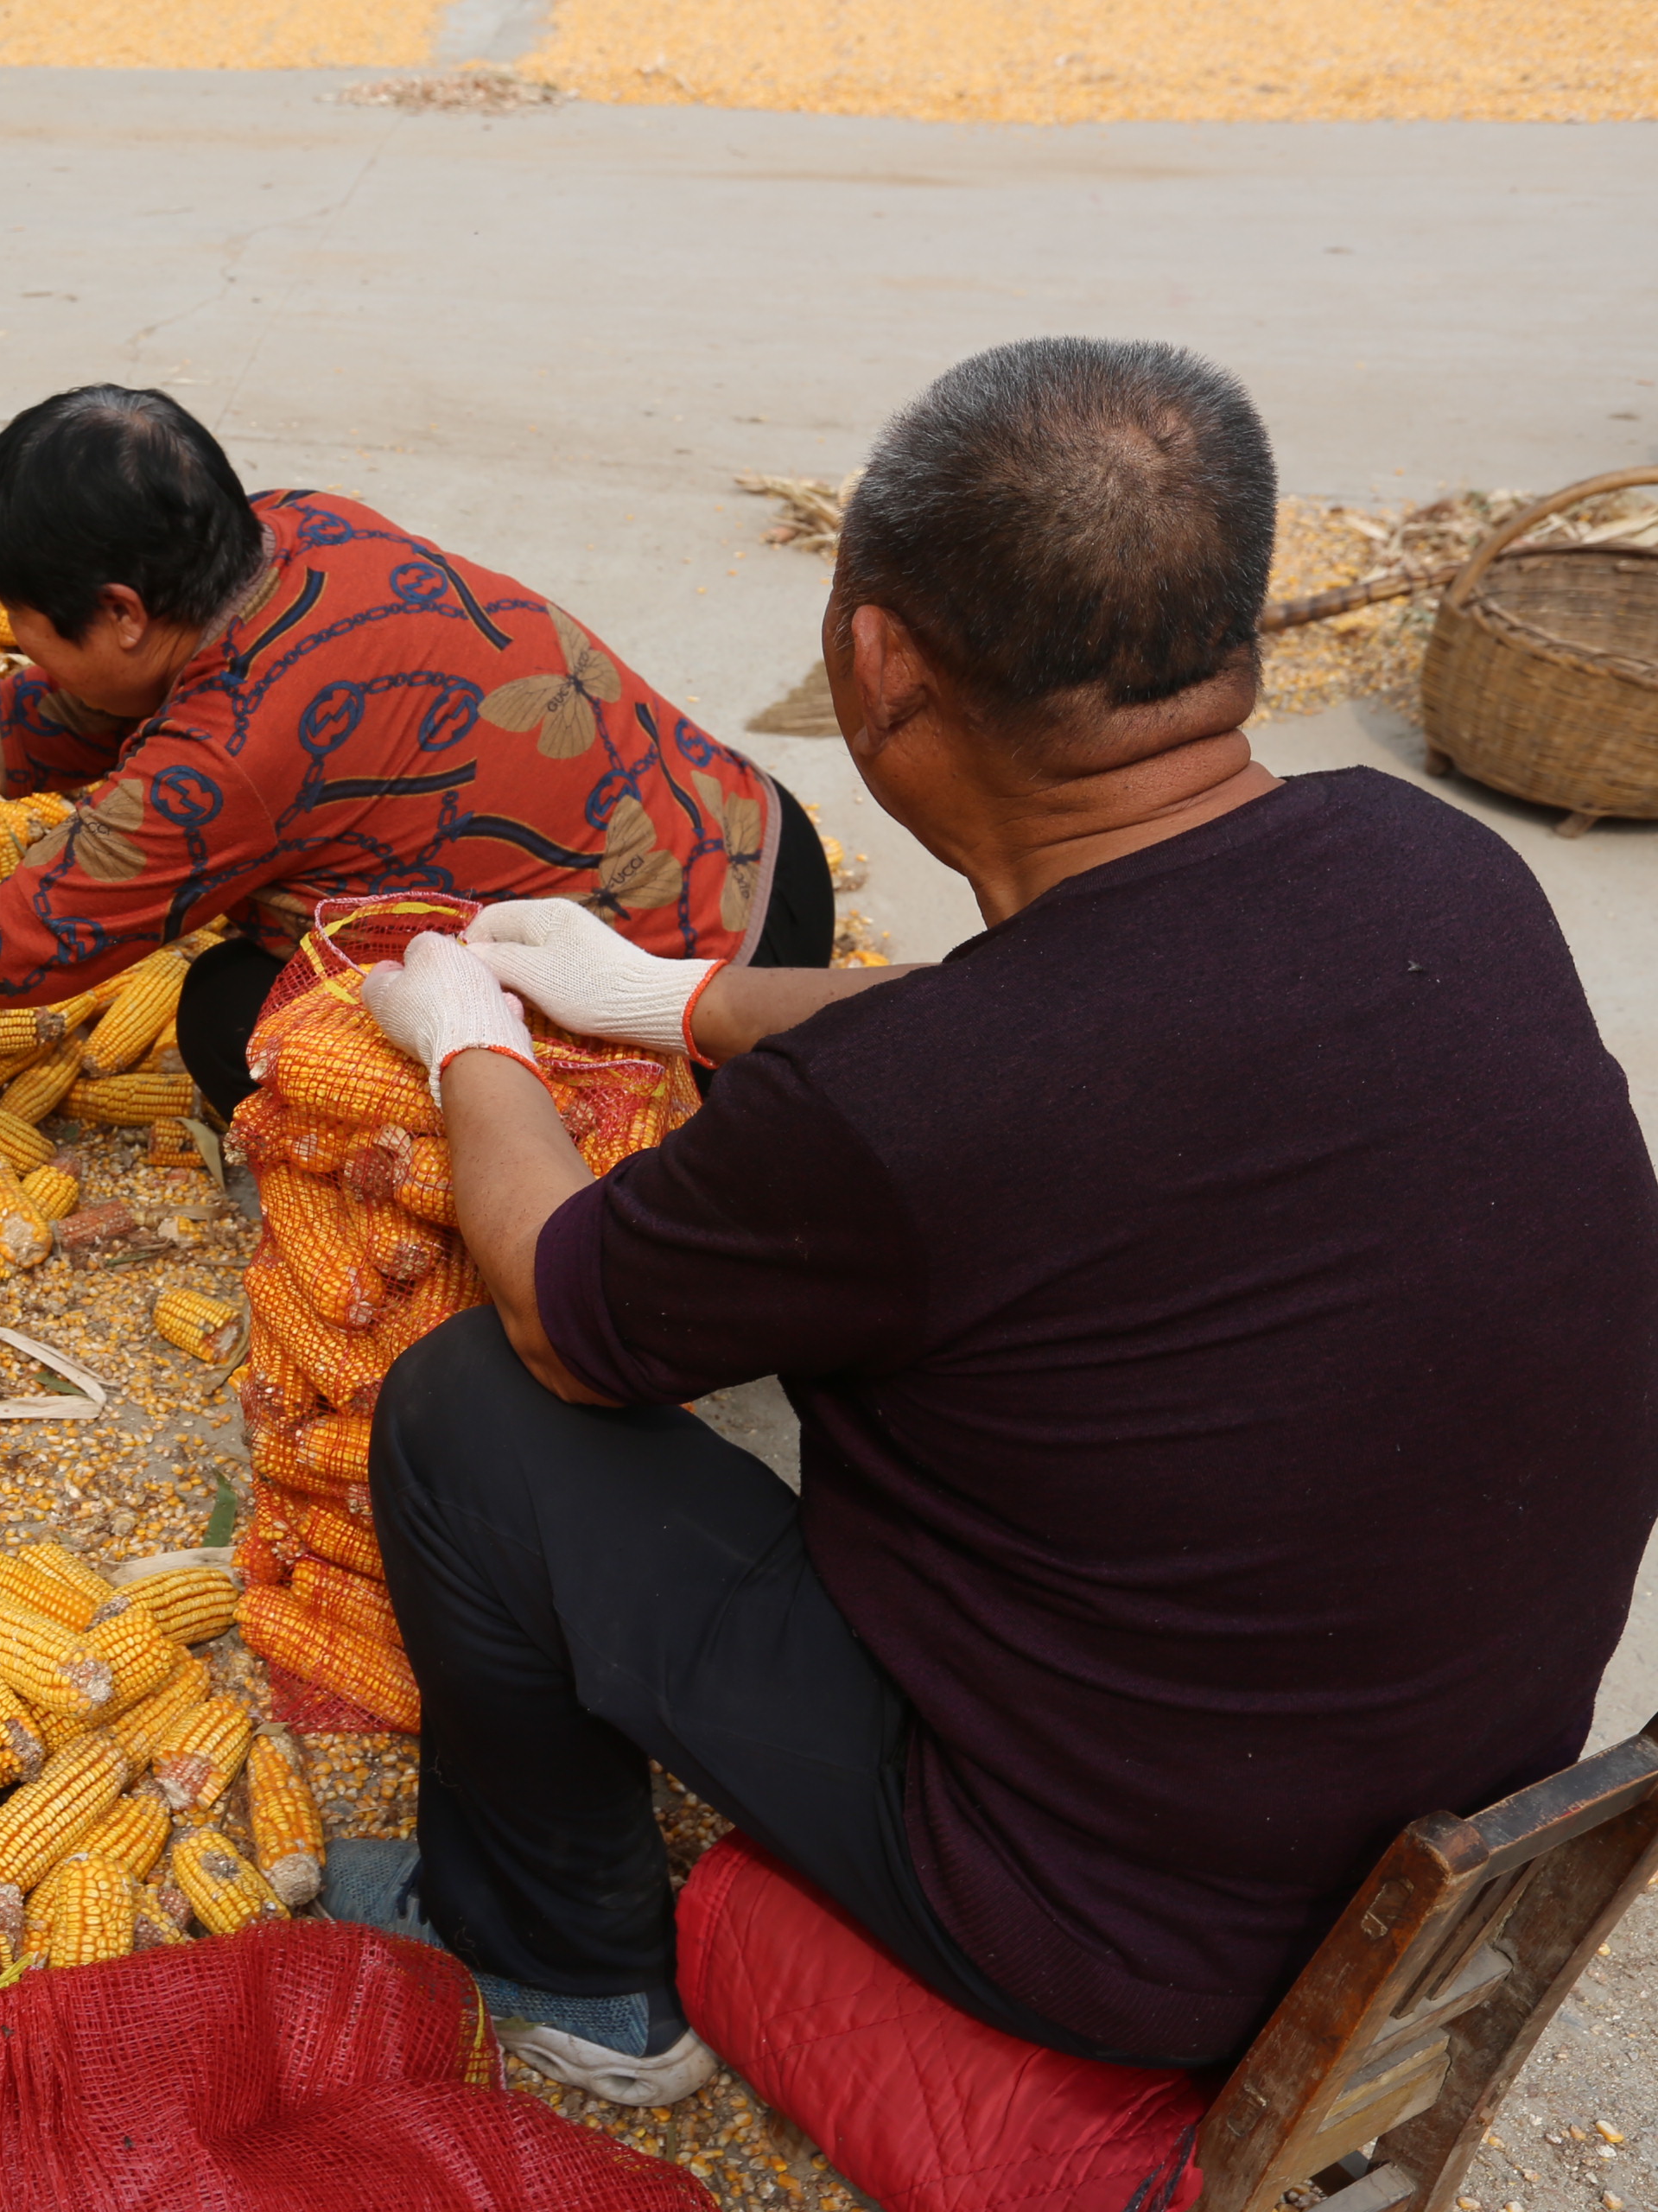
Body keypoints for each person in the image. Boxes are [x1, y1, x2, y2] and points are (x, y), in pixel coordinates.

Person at [329, 335, 1658, 2107]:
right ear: (1234, 629)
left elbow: (569, 1307)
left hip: (1121, 1930)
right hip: (1449, 1795)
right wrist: (681, 1002)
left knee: (470, 1416)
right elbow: (1040, 1016)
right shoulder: (1431, 867)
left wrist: (474, 1049)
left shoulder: (915, 1111)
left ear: (877, 660)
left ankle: (568, 1964)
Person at [0, 385, 834, 1110]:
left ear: (120, 610)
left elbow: (0, 952)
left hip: (695, 1031)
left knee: (233, 1011)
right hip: (763, 853)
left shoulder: (221, 765)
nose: (20, 655)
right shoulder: (295, 529)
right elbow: (91, 710)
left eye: (29, 630)